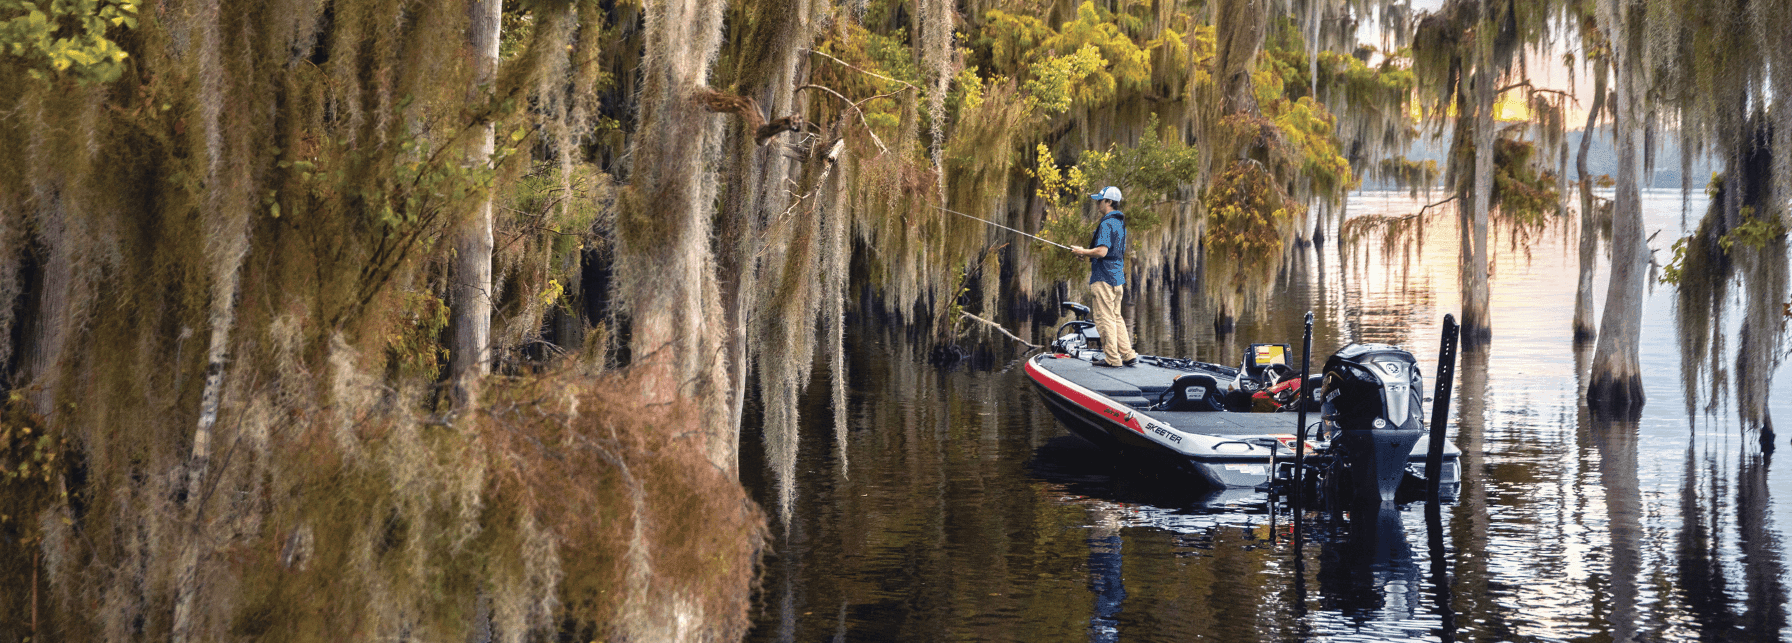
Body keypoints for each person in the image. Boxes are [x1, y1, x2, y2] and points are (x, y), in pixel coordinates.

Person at [1071, 186, 1138, 367]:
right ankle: (1128, 354)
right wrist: (1084, 253)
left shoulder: (1107, 223)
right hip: (1116, 278)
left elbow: (1101, 251)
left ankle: (1112, 359)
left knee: (1104, 318)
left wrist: (1083, 251)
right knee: (1116, 316)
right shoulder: (1119, 222)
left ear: (1109, 202)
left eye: (1100, 200)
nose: (1097, 204)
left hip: (1103, 278)